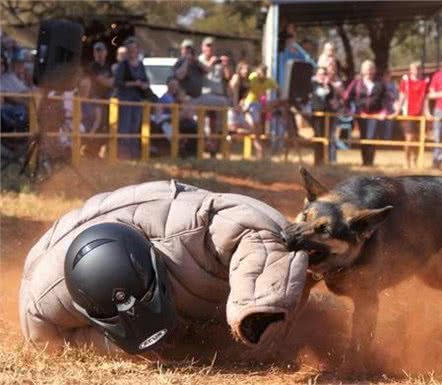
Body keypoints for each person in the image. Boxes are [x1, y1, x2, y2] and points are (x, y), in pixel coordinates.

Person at [19, 180, 308, 355]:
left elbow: (262, 228)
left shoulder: (196, 228)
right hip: (63, 243)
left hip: (160, 213)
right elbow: (50, 344)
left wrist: (255, 306)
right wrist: (122, 347)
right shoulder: (43, 307)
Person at [344, 59, 387, 167]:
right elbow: (347, 96)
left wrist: (384, 111)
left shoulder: (380, 83)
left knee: (371, 137)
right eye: (367, 69)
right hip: (361, 114)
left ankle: (370, 161)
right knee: (363, 137)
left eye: (371, 69)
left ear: (374, 70)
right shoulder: (357, 83)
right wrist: (350, 110)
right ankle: (365, 161)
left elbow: (386, 98)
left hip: (375, 114)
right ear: (362, 71)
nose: (369, 72)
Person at [114, 37, 150, 159]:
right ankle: (124, 155)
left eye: (134, 48)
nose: (133, 51)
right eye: (130, 49)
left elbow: (145, 80)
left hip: (137, 99)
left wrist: (144, 85)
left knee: (135, 127)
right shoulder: (123, 65)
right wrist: (134, 83)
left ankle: (134, 155)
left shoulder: (140, 65)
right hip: (125, 98)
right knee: (125, 127)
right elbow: (118, 82)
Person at [397, 61, 430, 169]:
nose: (416, 71)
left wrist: (427, 113)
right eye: (414, 69)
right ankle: (406, 160)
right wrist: (397, 111)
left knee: (418, 140)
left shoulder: (425, 82)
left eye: (418, 68)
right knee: (409, 139)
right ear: (411, 70)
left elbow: (426, 99)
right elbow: (402, 97)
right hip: (408, 114)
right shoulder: (406, 81)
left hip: (420, 115)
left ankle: (415, 160)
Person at [243, 64, 279, 159]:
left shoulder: (268, 81)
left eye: (264, 72)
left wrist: (272, 102)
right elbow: (245, 88)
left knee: (257, 130)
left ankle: (259, 152)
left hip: (258, 104)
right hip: (249, 103)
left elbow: (278, 89)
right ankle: (259, 151)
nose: (261, 74)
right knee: (255, 129)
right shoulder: (253, 77)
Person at [310, 67, 335, 165]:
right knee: (318, 137)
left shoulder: (329, 86)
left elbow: (331, 96)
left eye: (324, 74)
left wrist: (327, 84)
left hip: (327, 115)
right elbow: (318, 94)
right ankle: (318, 160)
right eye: (320, 74)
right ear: (316, 75)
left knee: (327, 138)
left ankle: (326, 160)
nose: (322, 76)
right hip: (317, 115)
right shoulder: (313, 85)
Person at [76, 76, 103, 157]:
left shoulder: (94, 99)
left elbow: (98, 119)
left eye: (87, 85)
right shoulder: (75, 97)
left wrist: (92, 132)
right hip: (77, 127)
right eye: (83, 85)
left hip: (91, 128)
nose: (85, 88)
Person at [227, 61, 251, 133]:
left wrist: (242, 105)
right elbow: (234, 92)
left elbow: (244, 96)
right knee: (232, 127)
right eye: (243, 69)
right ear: (239, 70)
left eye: (247, 69)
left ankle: (231, 134)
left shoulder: (247, 81)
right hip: (232, 105)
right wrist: (235, 106)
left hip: (239, 106)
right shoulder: (236, 77)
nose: (246, 71)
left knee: (248, 128)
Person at [382, 69, 398, 141]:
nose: (387, 77)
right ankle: (381, 139)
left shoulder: (394, 84)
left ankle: (387, 139)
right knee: (381, 123)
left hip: (391, 107)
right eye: (385, 75)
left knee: (389, 124)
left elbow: (396, 95)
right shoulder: (381, 84)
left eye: (388, 75)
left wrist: (390, 94)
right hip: (382, 107)